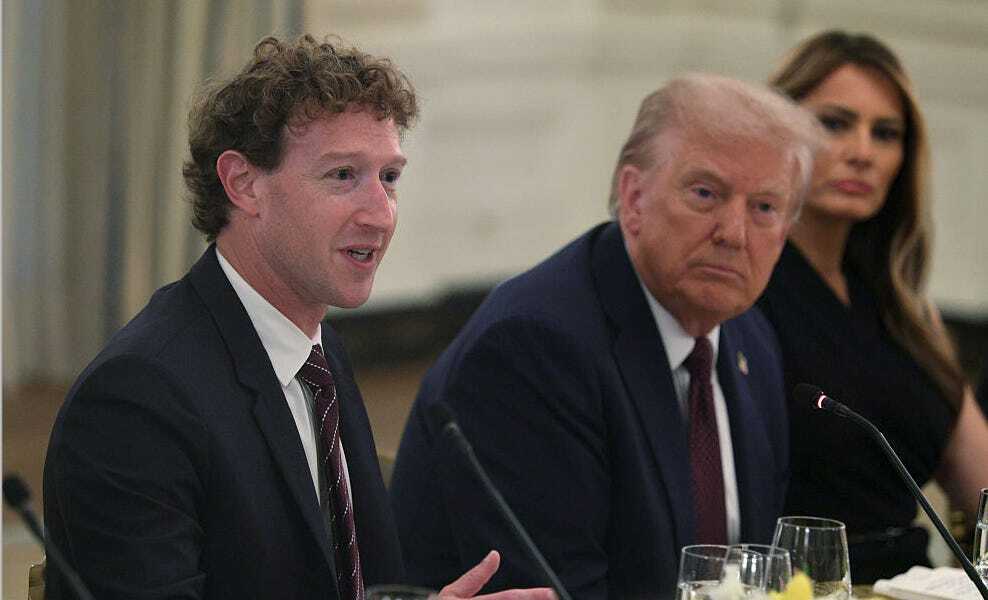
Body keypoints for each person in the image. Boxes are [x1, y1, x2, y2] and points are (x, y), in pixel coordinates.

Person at [42, 34, 555, 600]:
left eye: (389, 177)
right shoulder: (137, 399)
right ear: (243, 184)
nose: (381, 214)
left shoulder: (318, 350)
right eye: (342, 176)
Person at [390, 74, 822, 599]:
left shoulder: (749, 339)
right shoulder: (534, 349)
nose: (733, 233)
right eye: (706, 194)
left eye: (765, 208)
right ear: (633, 197)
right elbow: (560, 592)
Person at [758, 30, 988, 583]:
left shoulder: (906, 309)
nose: (863, 152)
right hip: (797, 586)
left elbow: (980, 483)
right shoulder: (741, 289)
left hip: (917, 583)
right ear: (776, 128)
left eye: (886, 133)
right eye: (834, 123)